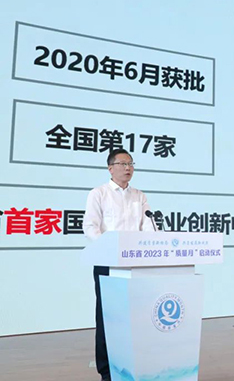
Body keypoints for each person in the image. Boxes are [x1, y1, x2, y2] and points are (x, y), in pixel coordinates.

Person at [83, 149, 154, 381]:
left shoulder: (139, 196)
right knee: (107, 317)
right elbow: (90, 227)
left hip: (136, 263)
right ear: (110, 168)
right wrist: (109, 249)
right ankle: (107, 371)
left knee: (135, 316)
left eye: (131, 163)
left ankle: (134, 366)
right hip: (108, 263)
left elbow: (148, 226)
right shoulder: (99, 194)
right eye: (123, 163)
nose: (128, 168)